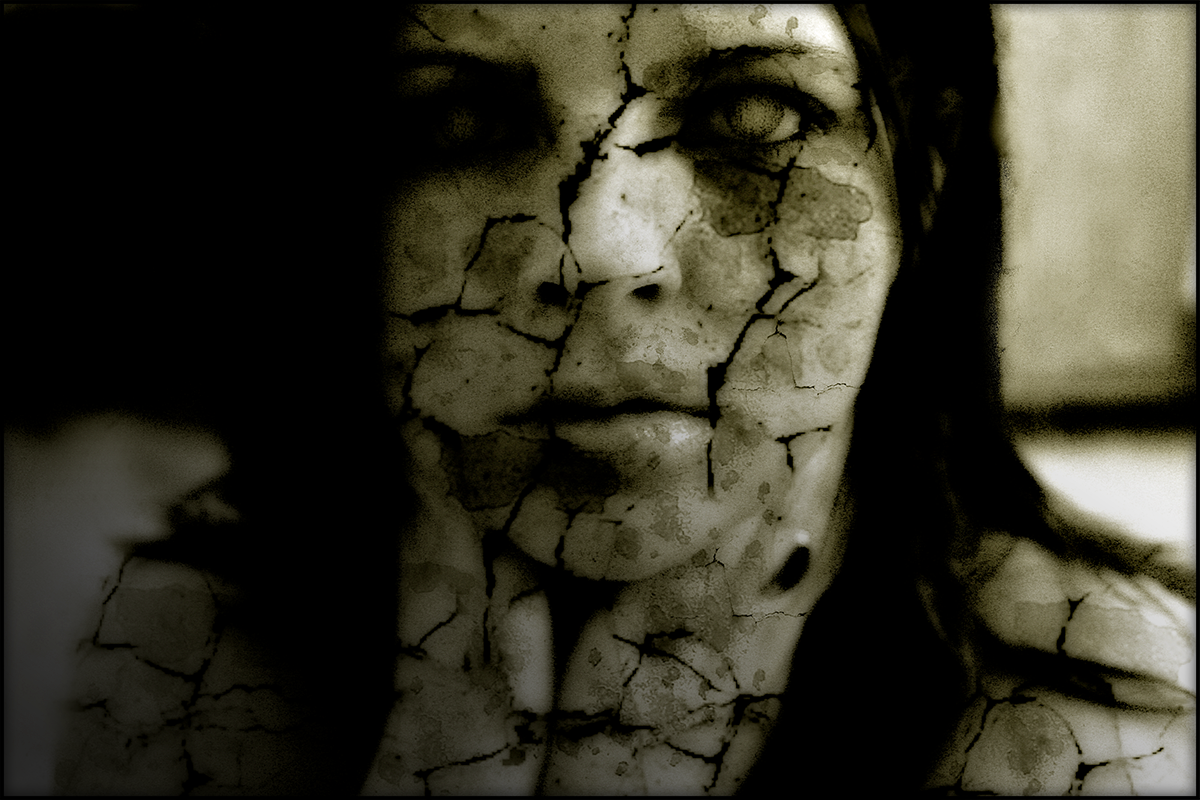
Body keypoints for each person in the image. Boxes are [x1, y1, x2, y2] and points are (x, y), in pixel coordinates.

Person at [43, 5, 1193, 795]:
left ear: (922, 173)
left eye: (754, 115)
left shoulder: (1101, 723)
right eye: (457, 120)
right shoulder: (183, 663)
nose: (595, 248)